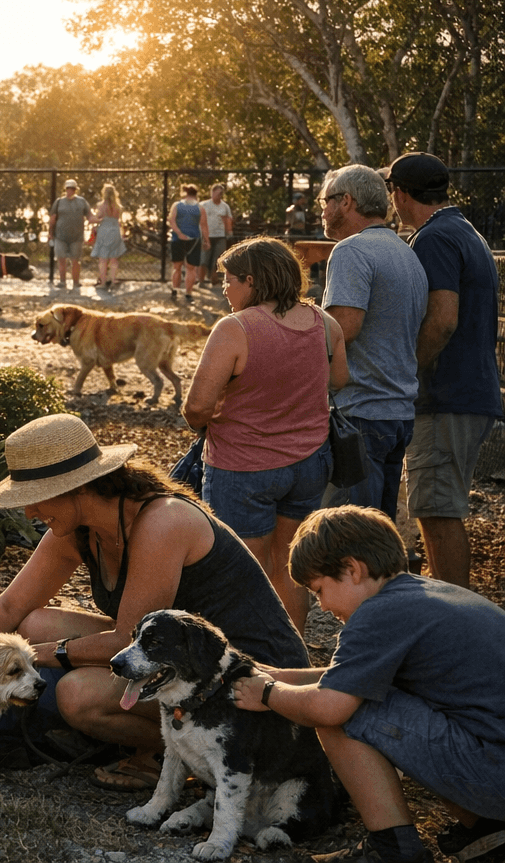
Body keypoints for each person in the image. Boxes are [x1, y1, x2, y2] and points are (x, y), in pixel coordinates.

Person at [0, 413, 308, 792]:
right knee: (34, 623)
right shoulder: (80, 528)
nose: (28, 511)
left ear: (79, 487)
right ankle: (133, 734)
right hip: (175, 658)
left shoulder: (162, 522)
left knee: (78, 695)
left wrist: (34, 656)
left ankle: (175, 755)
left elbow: (126, 640)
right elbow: (9, 607)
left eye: (36, 498)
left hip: (251, 675)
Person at [231, 506, 505, 863]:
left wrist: (267, 693)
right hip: (493, 757)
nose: (322, 607)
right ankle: (486, 830)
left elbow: (329, 705)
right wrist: (276, 676)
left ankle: (392, 850)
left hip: (495, 772)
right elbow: (346, 676)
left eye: (319, 590)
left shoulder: (377, 614)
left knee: (342, 713)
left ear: (352, 569)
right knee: (358, 693)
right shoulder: (419, 594)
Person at [183, 236, 348, 632]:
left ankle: (247, 652)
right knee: (291, 565)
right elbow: (340, 380)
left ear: (251, 281)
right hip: (309, 462)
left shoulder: (235, 328)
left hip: (243, 466)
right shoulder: (326, 324)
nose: (224, 288)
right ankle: (290, 650)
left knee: (242, 567)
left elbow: (197, 407)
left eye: (228, 280)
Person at [386, 152, 502, 588]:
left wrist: (405, 371)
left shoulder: (433, 238)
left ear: (399, 193)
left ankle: (454, 611)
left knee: (437, 511)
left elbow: (442, 320)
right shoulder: (464, 230)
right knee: (437, 509)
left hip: (446, 396)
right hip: (470, 393)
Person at [318, 164, 428, 520]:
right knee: (378, 531)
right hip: (397, 413)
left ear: (346, 201)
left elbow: (342, 330)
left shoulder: (352, 250)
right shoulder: (406, 253)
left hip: (360, 413)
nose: (322, 210)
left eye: (326, 201)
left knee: (346, 532)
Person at [49, 179, 92, 290]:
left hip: (76, 237)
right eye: (68, 188)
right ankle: (62, 281)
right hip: (60, 236)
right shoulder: (59, 202)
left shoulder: (82, 202)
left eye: (72, 188)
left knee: (75, 260)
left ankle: (76, 282)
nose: (70, 190)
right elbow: (53, 218)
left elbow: (90, 216)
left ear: (75, 190)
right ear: (65, 189)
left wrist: (102, 219)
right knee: (61, 259)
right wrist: (50, 232)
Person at [168, 183, 203, 301]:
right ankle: (188, 293)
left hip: (177, 239)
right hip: (194, 239)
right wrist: (207, 240)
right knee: (191, 268)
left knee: (177, 267)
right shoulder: (200, 207)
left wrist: (179, 233)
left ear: (186, 193)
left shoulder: (176, 205)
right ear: (196, 194)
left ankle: (175, 290)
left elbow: (171, 221)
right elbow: (204, 225)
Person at [89, 182, 126, 292]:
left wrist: (95, 220)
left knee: (103, 258)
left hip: (104, 231)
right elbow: (118, 220)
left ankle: (103, 282)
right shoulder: (118, 207)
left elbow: (98, 218)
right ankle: (113, 280)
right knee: (114, 259)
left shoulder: (101, 206)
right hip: (115, 231)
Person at [201, 184, 234, 288]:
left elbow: (229, 220)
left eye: (221, 193)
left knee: (218, 259)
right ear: (212, 192)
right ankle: (201, 281)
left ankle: (213, 279)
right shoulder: (204, 205)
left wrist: (229, 232)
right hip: (206, 236)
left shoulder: (225, 206)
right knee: (204, 259)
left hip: (220, 236)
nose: (219, 195)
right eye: (217, 193)